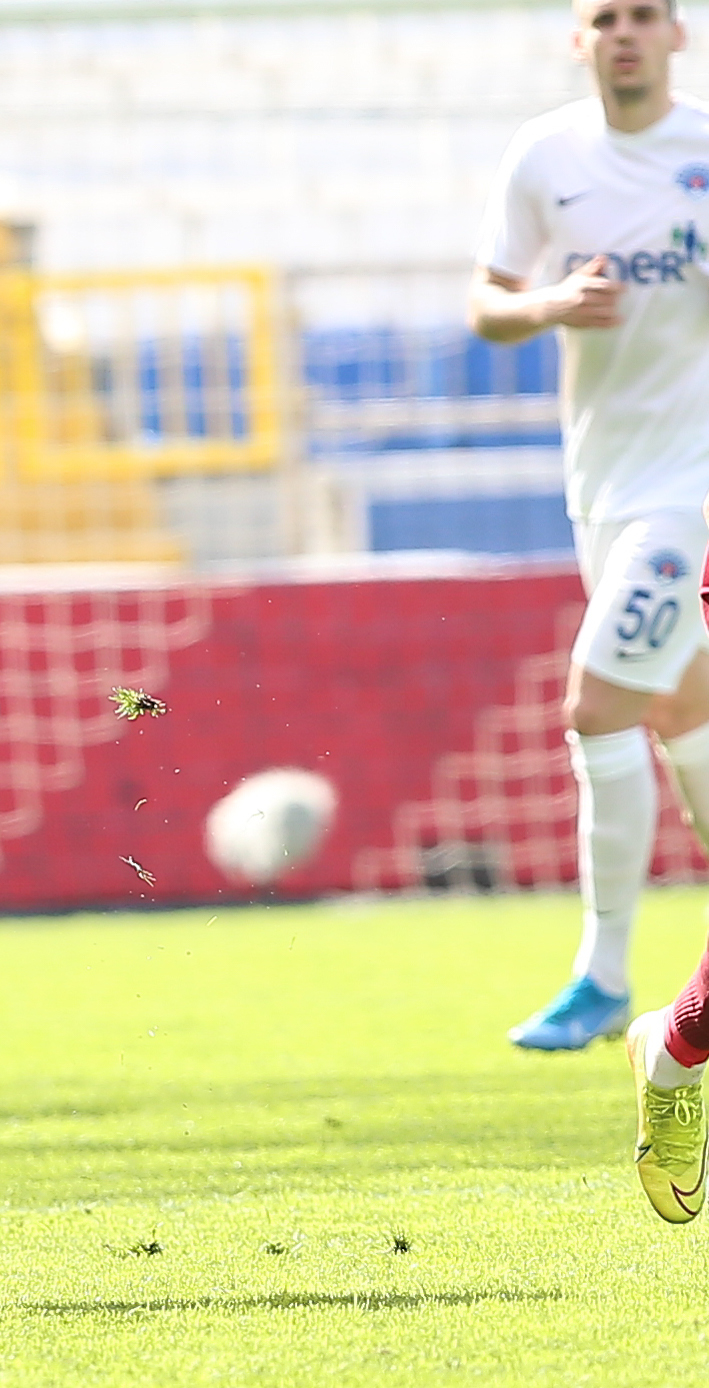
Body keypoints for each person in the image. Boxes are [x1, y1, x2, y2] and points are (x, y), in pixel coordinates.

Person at [470, 0, 709, 1052]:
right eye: (604, 17)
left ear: (675, 36)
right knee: (684, 712)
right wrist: (552, 302)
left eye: (643, 15)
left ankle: (601, 977)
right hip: (601, 485)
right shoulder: (546, 154)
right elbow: (486, 301)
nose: (624, 32)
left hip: (692, 491)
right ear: (580, 40)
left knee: (598, 704)